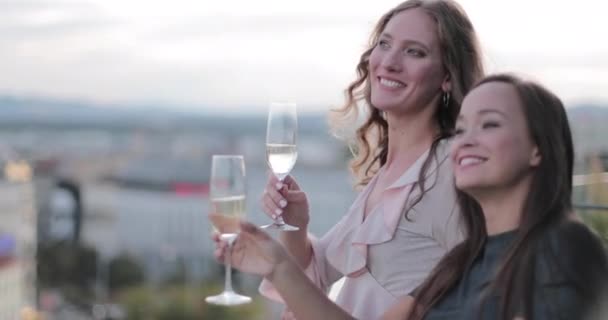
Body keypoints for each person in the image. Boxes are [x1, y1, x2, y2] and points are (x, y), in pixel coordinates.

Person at [214, 74, 608, 320]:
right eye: (464, 127)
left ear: (538, 149)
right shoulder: (461, 262)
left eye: (490, 124)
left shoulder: (563, 246)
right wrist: (279, 266)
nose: (466, 139)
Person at [258, 0, 484, 318]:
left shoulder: (452, 169)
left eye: (414, 51)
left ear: (447, 76)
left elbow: (484, 288)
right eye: (385, 44)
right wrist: (295, 225)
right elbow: (316, 273)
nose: (389, 62)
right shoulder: (390, 172)